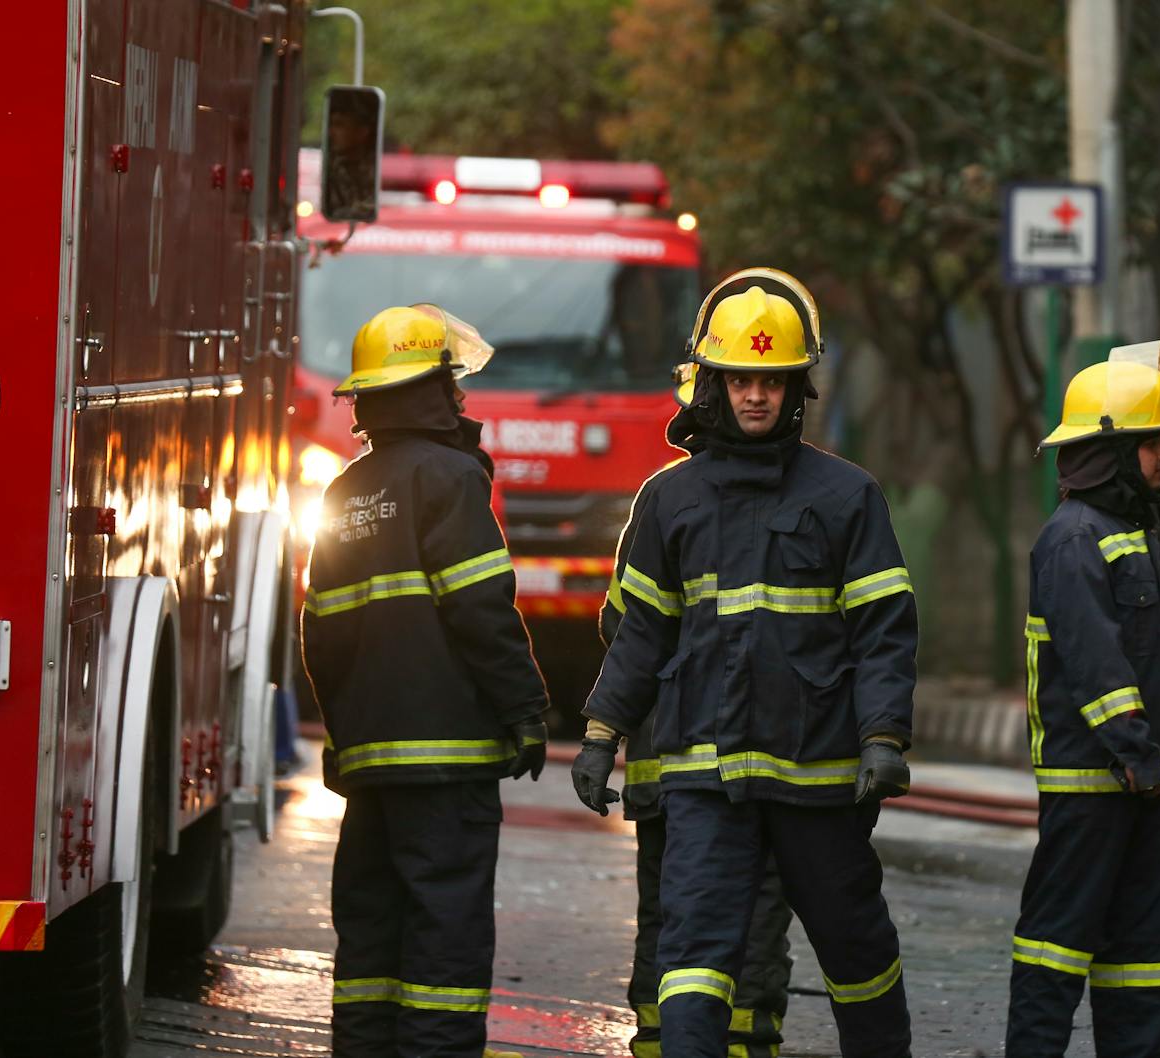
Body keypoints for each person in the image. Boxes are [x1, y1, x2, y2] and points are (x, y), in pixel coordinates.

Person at [572, 269, 916, 1058]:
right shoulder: (670, 499)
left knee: (858, 953)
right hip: (705, 778)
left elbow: (883, 631)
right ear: (713, 386)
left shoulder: (848, 497)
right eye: (740, 380)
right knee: (691, 958)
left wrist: (884, 738)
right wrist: (601, 731)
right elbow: (641, 633)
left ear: (797, 389)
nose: (755, 396)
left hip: (818, 777)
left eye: (772, 381)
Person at [301, 305, 550, 1058]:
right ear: (434, 392)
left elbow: (322, 634)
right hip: (450, 766)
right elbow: (481, 610)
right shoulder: (449, 477)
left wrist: (347, 740)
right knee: (445, 940)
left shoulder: (344, 493)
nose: (459, 397)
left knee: (370, 941)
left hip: (372, 764)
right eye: (450, 382)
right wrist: (525, 709)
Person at [596, 361, 794, 1058]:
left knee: (670, 928)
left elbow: (621, 625)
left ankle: (660, 1044)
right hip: (742, 773)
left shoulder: (661, 498)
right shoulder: (737, 501)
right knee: (755, 929)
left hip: (667, 772)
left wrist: (605, 731)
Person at [1009, 344, 1160, 1058]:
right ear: (1112, 452)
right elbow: (1097, 664)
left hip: (1144, 782)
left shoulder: (1129, 531)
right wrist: (1140, 752)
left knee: (1143, 962)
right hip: (1094, 785)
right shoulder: (1074, 539)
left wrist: (1156, 765)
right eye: (1150, 444)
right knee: (1055, 953)